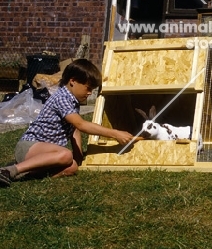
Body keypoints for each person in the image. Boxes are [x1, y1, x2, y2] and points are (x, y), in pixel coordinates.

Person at [0, 59, 134, 187]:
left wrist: (79, 156)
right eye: (88, 88)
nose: (89, 93)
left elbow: (75, 128)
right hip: (29, 146)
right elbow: (81, 125)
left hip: (48, 152)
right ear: (73, 81)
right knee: (66, 155)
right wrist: (115, 133)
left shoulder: (73, 101)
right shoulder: (63, 98)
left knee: (72, 166)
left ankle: (27, 174)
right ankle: (10, 170)